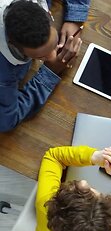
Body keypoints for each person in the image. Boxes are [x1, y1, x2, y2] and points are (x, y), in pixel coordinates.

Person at [0, 0, 88, 132]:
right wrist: (49, 72)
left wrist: (74, 19)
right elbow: (6, 121)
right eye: (40, 57)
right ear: (14, 46)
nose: (53, 57)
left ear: (47, 13)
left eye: (54, 44)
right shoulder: (4, 74)